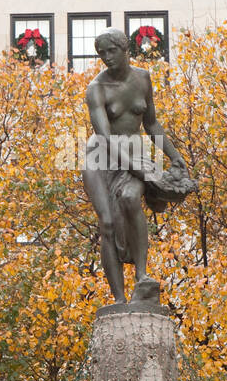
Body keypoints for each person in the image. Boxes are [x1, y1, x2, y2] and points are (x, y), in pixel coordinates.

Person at [82, 28, 195, 306]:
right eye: (102, 53)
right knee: (107, 223)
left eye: (112, 51)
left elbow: (151, 123)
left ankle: (142, 277)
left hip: (135, 153)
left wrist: (173, 154)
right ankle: (119, 300)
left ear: (126, 49)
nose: (107, 58)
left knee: (132, 198)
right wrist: (136, 167)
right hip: (100, 158)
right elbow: (105, 137)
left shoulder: (143, 78)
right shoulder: (96, 89)